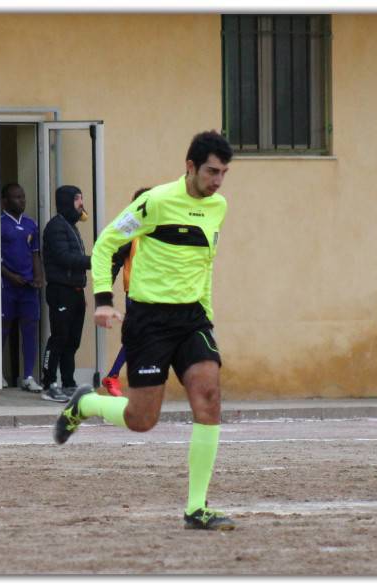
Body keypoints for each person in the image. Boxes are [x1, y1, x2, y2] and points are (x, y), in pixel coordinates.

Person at [53, 131, 236, 531]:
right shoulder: (154, 202)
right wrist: (103, 300)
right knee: (142, 419)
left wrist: (206, 311)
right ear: (190, 166)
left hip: (192, 319)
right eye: (211, 171)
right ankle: (85, 405)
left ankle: (196, 508)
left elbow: (204, 265)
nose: (217, 180)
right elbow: (104, 244)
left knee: (209, 397)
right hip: (149, 321)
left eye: (223, 173)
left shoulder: (218, 206)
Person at [39, 185, 91, 402]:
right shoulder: (56, 227)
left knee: (72, 340)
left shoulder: (71, 226)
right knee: (59, 338)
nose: (81, 204)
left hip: (76, 291)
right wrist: (93, 261)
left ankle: (68, 383)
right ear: (67, 201)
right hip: (61, 290)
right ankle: (49, 383)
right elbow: (64, 258)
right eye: (77, 199)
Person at [101, 187, 151, 398]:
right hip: (137, 293)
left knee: (147, 337)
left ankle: (124, 378)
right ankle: (115, 376)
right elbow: (114, 261)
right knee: (139, 336)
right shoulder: (131, 232)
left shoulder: (159, 230)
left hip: (159, 294)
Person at [0, 182, 45, 393]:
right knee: (4, 327)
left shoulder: (31, 224)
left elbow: (35, 253)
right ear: (5, 201)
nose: (22, 201)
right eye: (17, 197)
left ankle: (27, 375)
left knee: (30, 328)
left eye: (23, 197)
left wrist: (38, 277)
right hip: (7, 286)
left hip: (28, 286)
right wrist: (10, 276)